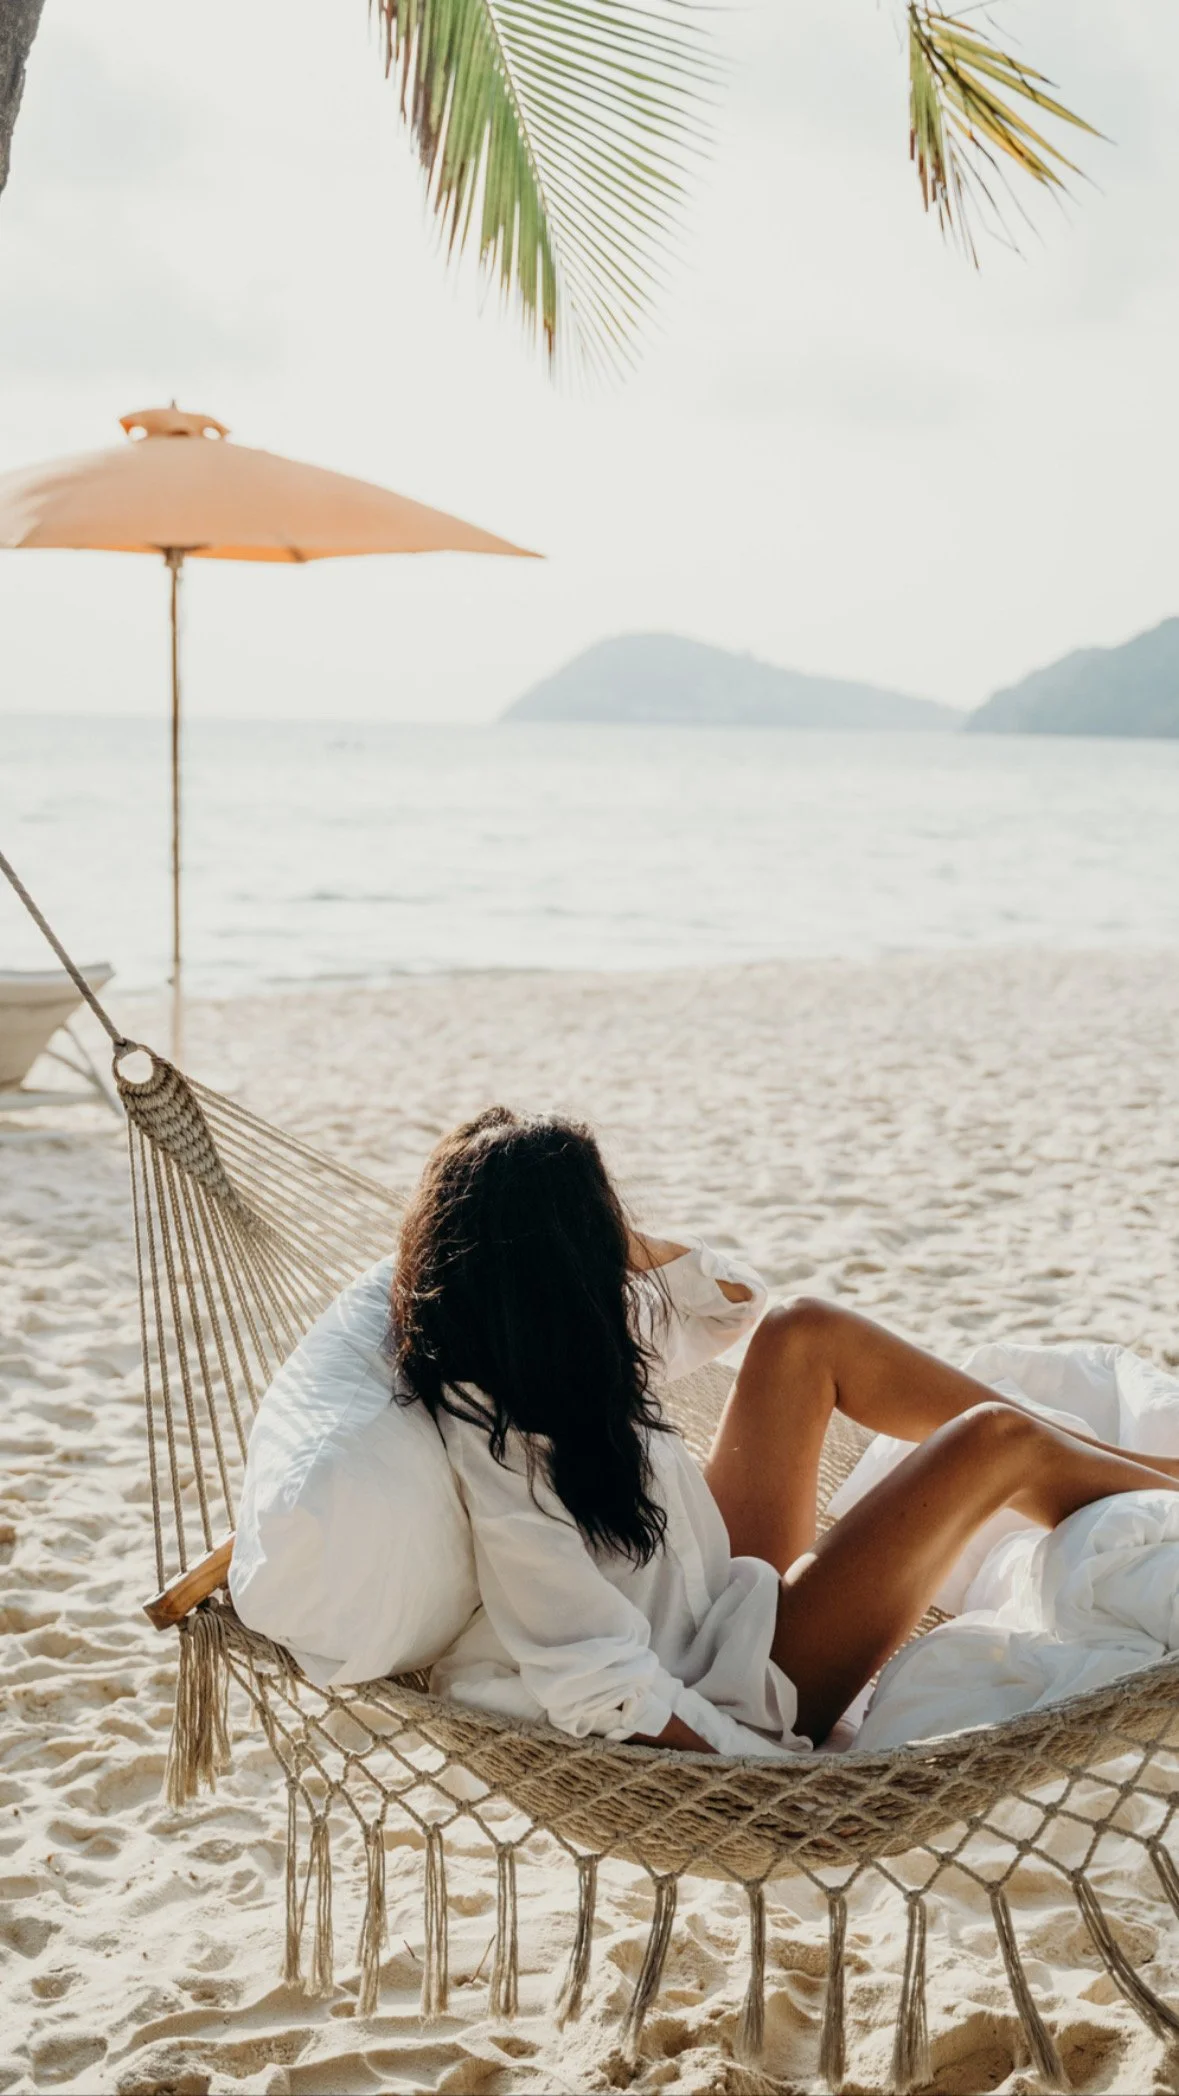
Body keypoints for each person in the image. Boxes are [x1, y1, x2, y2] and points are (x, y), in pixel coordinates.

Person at [392, 1106, 1179, 1756]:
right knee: (993, 1440)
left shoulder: (558, 1338)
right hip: (738, 1685)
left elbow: (734, 1300)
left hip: (713, 1598)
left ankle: (1131, 1468)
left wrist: (615, 1251)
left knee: (802, 1331)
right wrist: (760, 1765)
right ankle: (1147, 1479)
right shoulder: (498, 1447)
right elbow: (592, 1679)